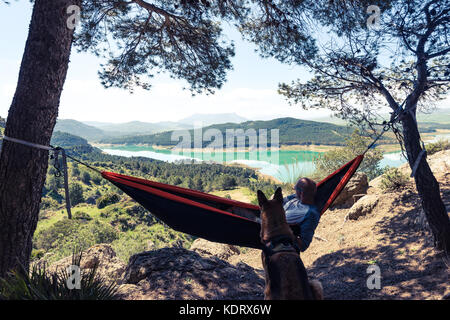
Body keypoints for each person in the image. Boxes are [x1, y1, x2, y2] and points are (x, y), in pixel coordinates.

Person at [283, 177, 320, 252]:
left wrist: (286, 232)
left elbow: (303, 245)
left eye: (295, 189)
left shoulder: (311, 214)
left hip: (272, 232)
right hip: (267, 217)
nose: (294, 191)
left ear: (301, 193)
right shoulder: (295, 197)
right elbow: (279, 201)